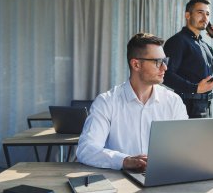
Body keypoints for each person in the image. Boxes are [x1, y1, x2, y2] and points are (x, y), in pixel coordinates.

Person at [76, 33, 188, 171]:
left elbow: (184, 147)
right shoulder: (106, 102)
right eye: (157, 62)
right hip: (119, 183)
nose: (164, 68)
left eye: (165, 61)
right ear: (136, 64)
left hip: (164, 179)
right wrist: (124, 161)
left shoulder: (173, 102)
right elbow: (86, 149)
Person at [163, 0, 213, 118]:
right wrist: (195, 88)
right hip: (186, 105)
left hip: (205, 104)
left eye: (207, 14)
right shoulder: (178, 41)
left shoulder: (204, 45)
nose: (205, 18)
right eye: (200, 13)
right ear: (188, 15)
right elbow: (166, 75)